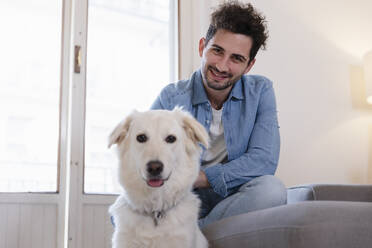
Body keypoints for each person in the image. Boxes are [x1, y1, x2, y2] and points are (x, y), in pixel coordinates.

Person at [151, 1, 287, 228]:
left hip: (234, 199)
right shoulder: (171, 97)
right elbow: (146, 156)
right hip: (182, 199)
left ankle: (193, 235)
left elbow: (264, 161)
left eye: (236, 58)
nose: (222, 67)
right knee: (127, 210)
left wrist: (201, 177)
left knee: (271, 190)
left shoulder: (261, 91)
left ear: (249, 65)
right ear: (202, 47)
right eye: (217, 51)